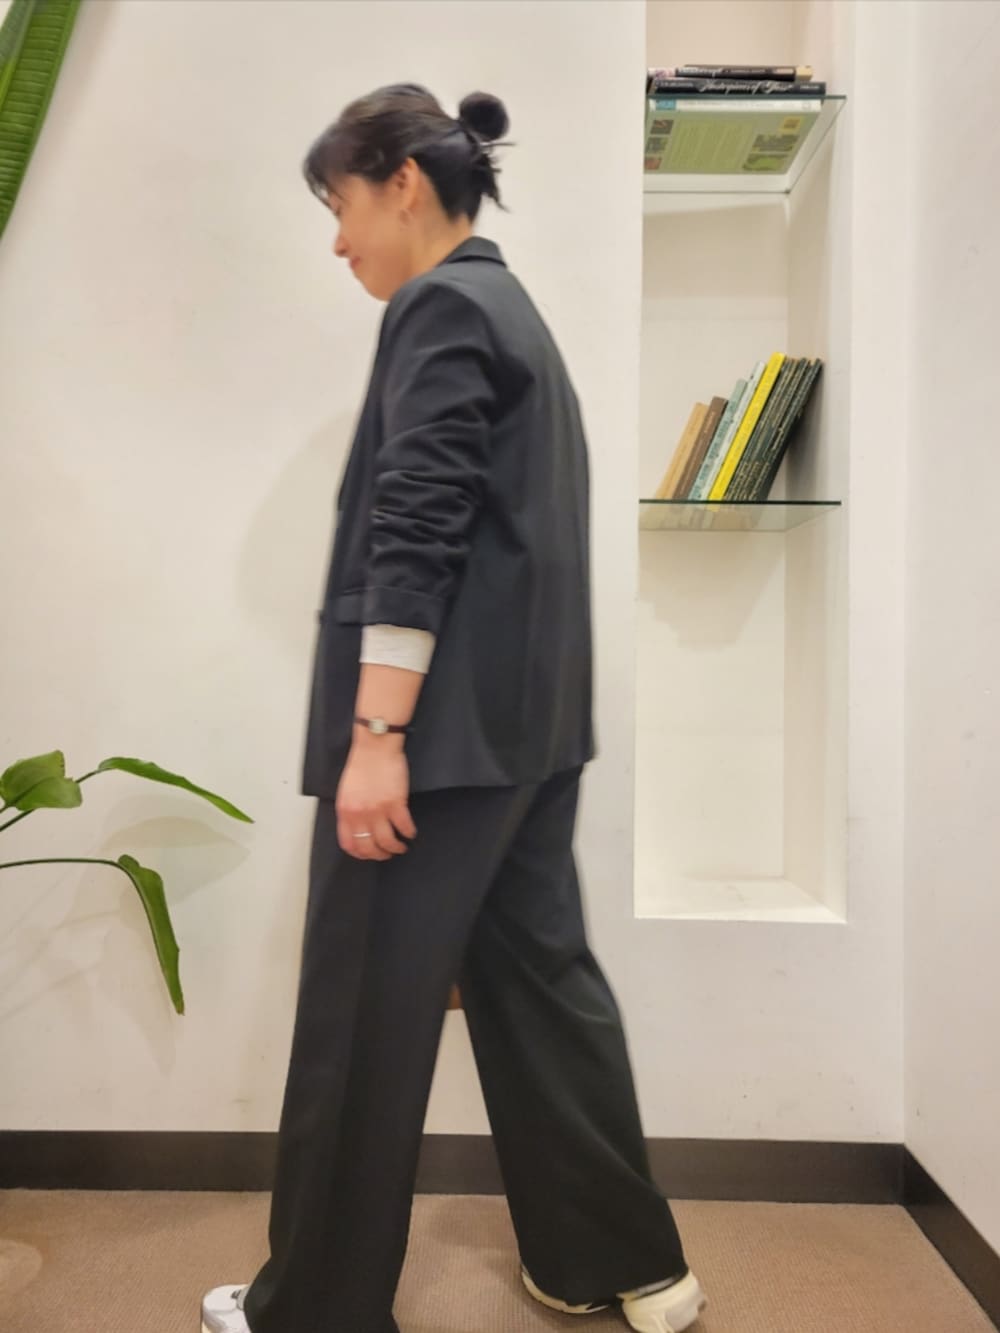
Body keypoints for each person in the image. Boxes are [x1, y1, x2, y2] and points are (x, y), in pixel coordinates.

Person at [201, 84, 706, 1333]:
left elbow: (417, 522)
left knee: (361, 1022)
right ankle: (624, 1265)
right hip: (530, 733)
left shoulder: (438, 305)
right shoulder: (514, 311)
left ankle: (312, 1311)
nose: (337, 241)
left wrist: (377, 735)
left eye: (340, 206)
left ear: (403, 183)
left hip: (433, 745)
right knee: (543, 995)